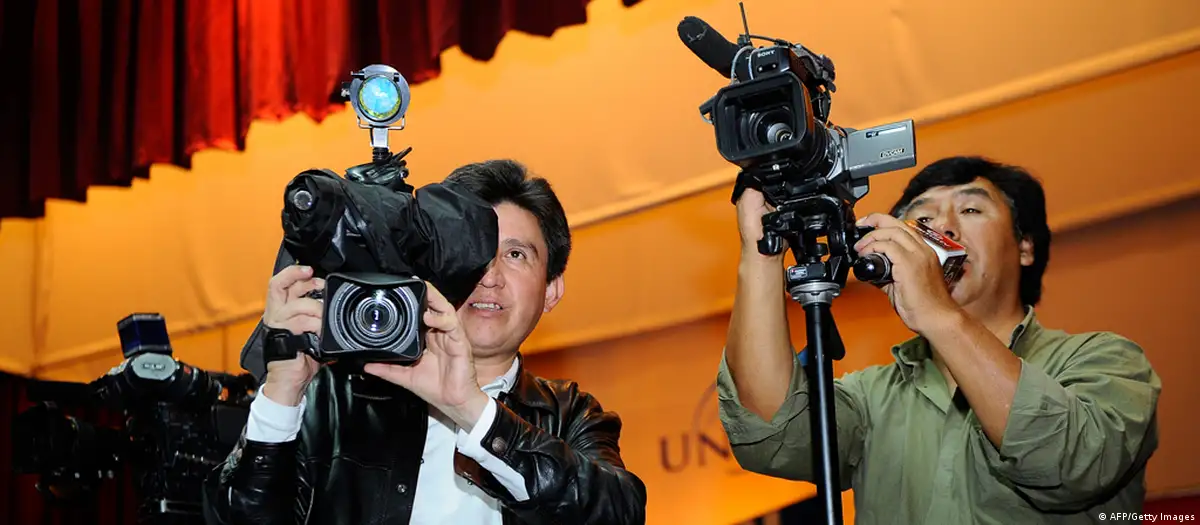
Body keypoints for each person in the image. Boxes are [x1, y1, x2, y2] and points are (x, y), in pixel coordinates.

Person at [717, 156, 1160, 524]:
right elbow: (770, 432)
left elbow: (1071, 461)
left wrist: (937, 313)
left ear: (1025, 246)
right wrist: (761, 251)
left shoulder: (1105, 361)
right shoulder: (871, 398)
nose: (942, 229)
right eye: (922, 218)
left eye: (970, 210)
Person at [203, 159, 647, 524]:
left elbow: (620, 513)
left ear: (551, 289)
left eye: (516, 255)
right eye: (474, 252)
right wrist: (281, 395)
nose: (490, 277)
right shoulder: (334, 399)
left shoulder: (571, 415)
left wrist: (470, 408)